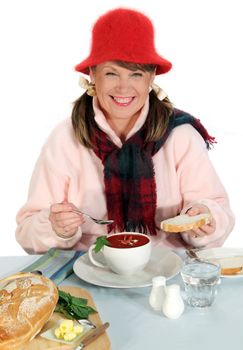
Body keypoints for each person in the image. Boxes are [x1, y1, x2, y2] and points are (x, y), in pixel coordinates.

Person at [16, 8, 234, 254]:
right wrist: (55, 227)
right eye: (111, 73)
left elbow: (219, 211)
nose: (123, 87)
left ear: (151, 78)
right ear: (93, 75)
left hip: (165, 268)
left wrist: (205, 218)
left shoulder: (181, 135)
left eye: (136, 74)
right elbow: (27, 230)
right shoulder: (65, 138)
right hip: (90, 268)